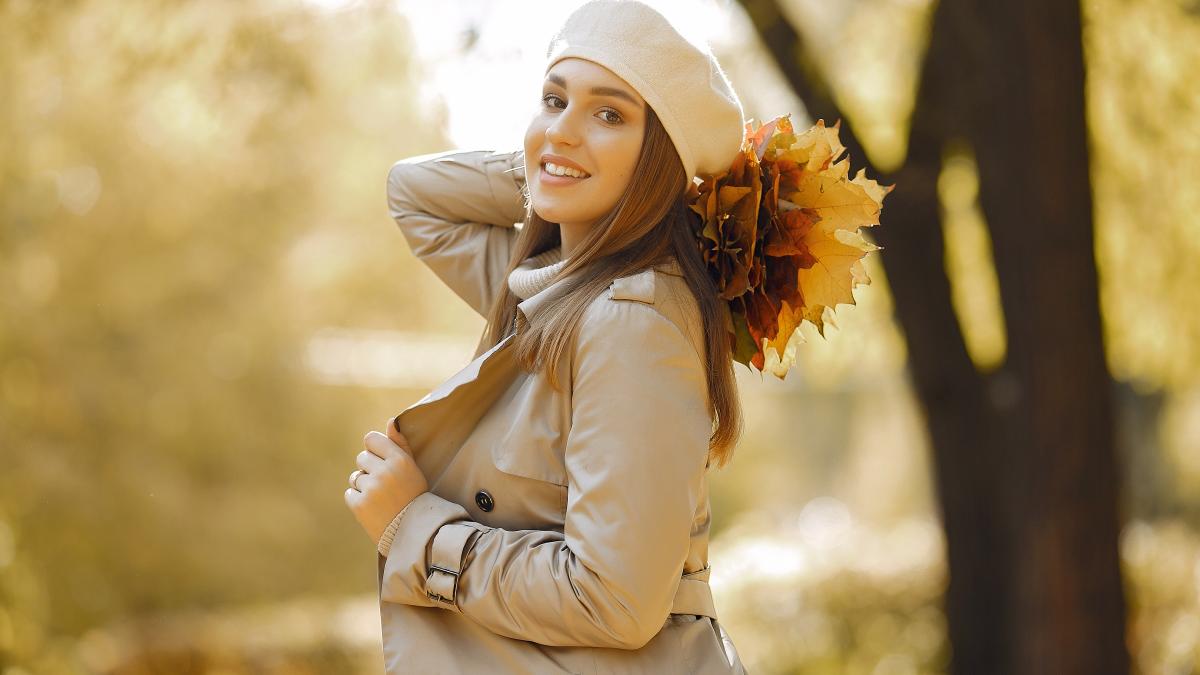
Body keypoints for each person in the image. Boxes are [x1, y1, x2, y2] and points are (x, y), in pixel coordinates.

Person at [346, 1, 750, 671]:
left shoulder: (631, 322)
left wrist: (415, 526)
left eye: (610, 113)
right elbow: (413, 194)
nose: (563, 128)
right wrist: (551, 165)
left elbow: (613, 599)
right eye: (553, 100)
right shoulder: (554, 292)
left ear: (660, 159)